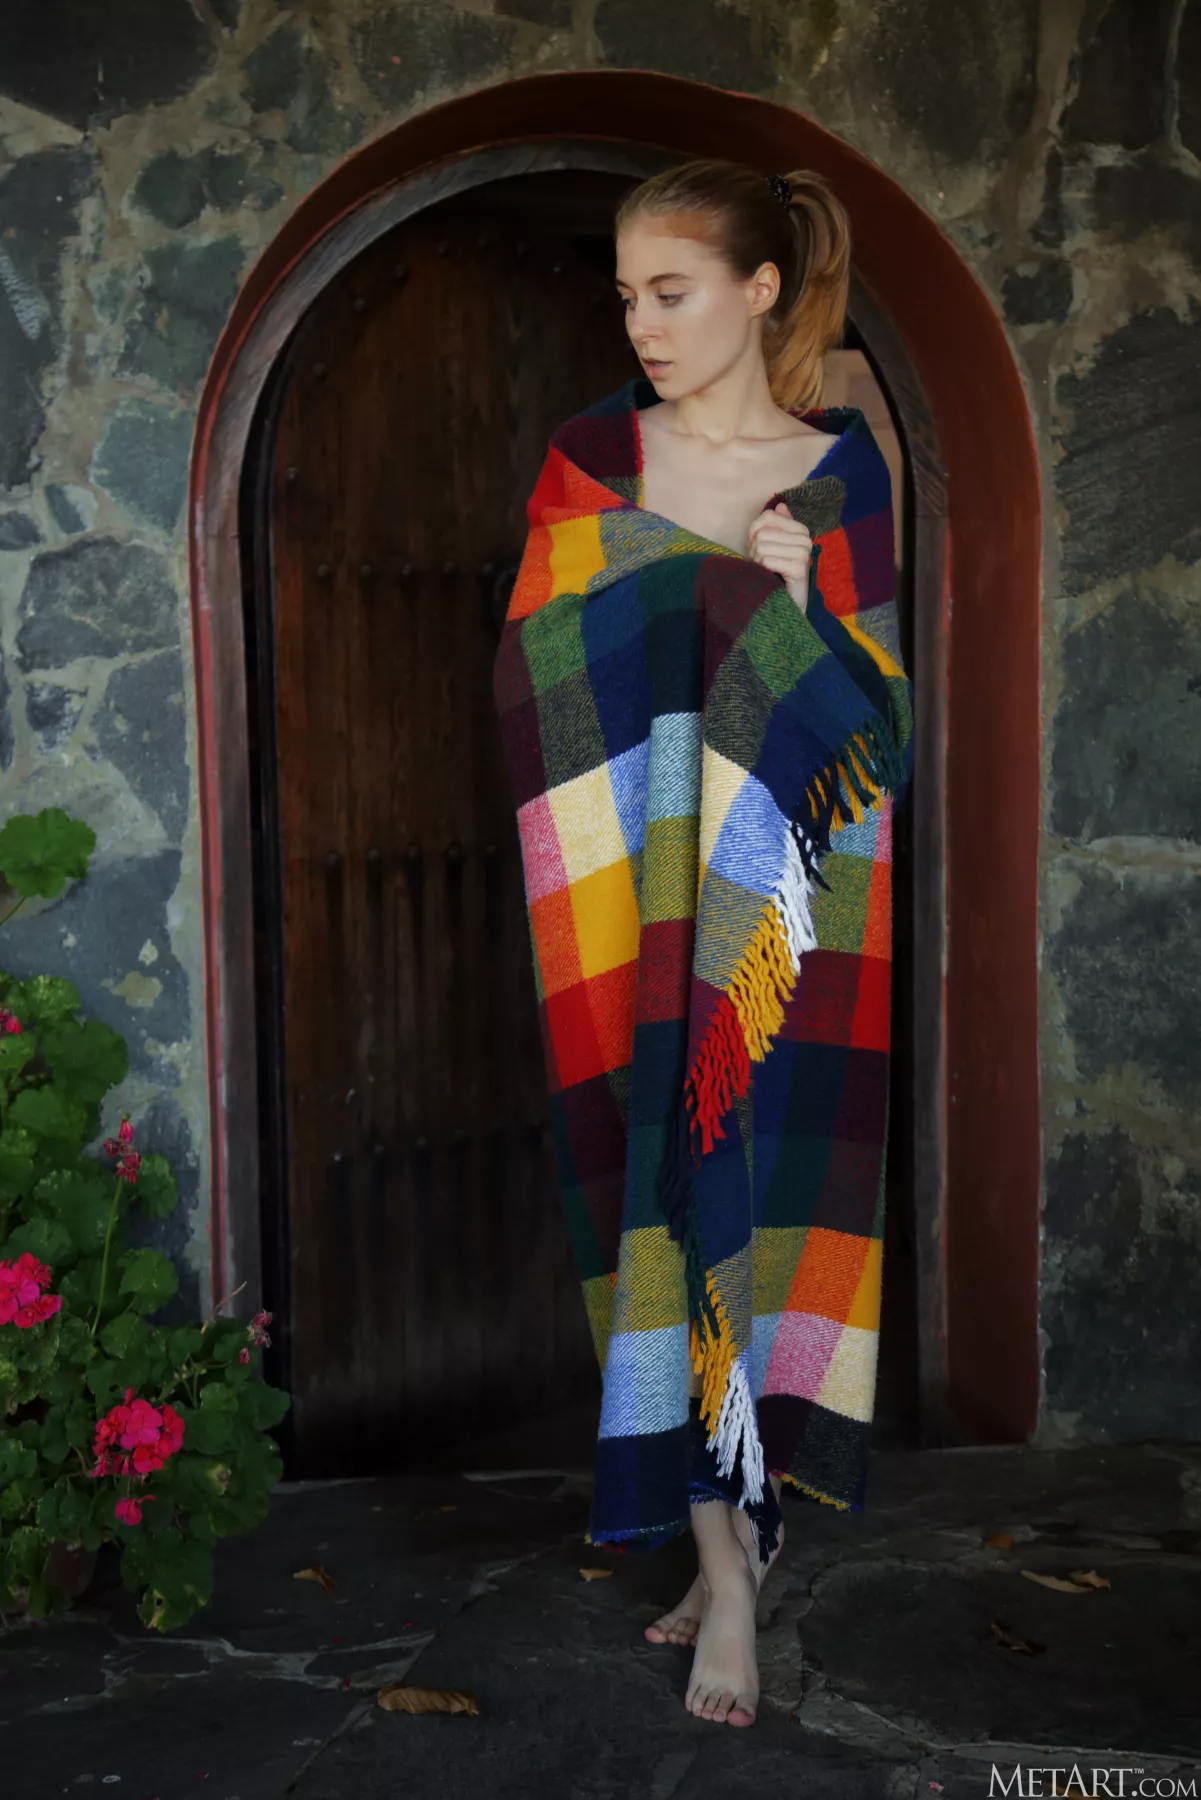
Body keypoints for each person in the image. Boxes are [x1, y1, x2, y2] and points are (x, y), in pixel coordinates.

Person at [493, 158, 914, 1730]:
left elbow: (876, 732)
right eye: (627, 299)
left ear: (759, 288)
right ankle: (718, 1556)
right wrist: (711, 606)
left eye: (671, 293)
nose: (644, 327)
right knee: (649, 1195)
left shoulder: (839, 480)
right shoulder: (592, 466)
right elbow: (534, 674)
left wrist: (793, 616)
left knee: (761, 1196)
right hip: (627, 899)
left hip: (784, 929)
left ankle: (735, 1556)